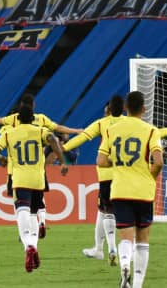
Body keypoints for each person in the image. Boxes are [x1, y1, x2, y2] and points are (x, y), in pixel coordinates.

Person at [0, 95, 83, 236]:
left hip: (16, 169)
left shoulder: (11, 124)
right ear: (33, 105)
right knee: (37, 199)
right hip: (37, 167)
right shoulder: (41, 120)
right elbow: (57, 129)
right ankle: (41, 223)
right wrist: (76, 131)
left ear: (20, 108)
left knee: (21, 204)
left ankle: (25, 234)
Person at [97, 91, 164, 288]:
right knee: (143, 240)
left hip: (120, 190)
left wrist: (117, 162)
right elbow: (159, 161)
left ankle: (125, 264)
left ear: (125, 108)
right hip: (143, 191)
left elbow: (101, 161)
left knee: (126, 237)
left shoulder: (112, 129)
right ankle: (137, 284)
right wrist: (150, 175)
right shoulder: (151, 131)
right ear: (144, 109)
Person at [0, 106, 68, 273]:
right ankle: (33, 244)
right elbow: (53, 139)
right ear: (32, 118)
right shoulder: (40, 130)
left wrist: (1, 158)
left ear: (18, 119)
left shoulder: (8, 133)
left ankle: (28, 246)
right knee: (34, 213)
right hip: (37, 178)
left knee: (22, 212)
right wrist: (62, 161)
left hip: (19, 178)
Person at [62, 94, 125, 263]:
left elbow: (82, 137)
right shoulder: (130, 123)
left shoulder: (101, 123)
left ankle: (112, 248)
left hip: (106, 174)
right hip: (126, 175)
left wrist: (63, 148)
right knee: (104, 212)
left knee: (107, 212)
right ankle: (98, 249)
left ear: (108, 109)